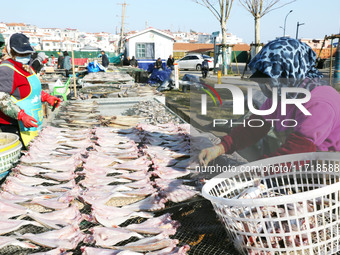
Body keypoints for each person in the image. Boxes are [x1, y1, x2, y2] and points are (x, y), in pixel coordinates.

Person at [199, 37, 340, 165]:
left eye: (269, 80)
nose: (266, 86)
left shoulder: (319, 103)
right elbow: (254, 127)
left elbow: (298, 151)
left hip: (326, 172)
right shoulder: (283, 94)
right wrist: (221, 147)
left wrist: (255, 169)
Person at [0, 33, 61, 147]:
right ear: (11, 52)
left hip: (32, 122)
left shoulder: (27, 67)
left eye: (27, 53)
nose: (25, 56)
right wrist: (20, 115)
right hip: (14, 126)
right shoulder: (6, 69)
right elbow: (2, 99)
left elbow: (29, 90)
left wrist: (46, 97)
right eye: (21, 53)